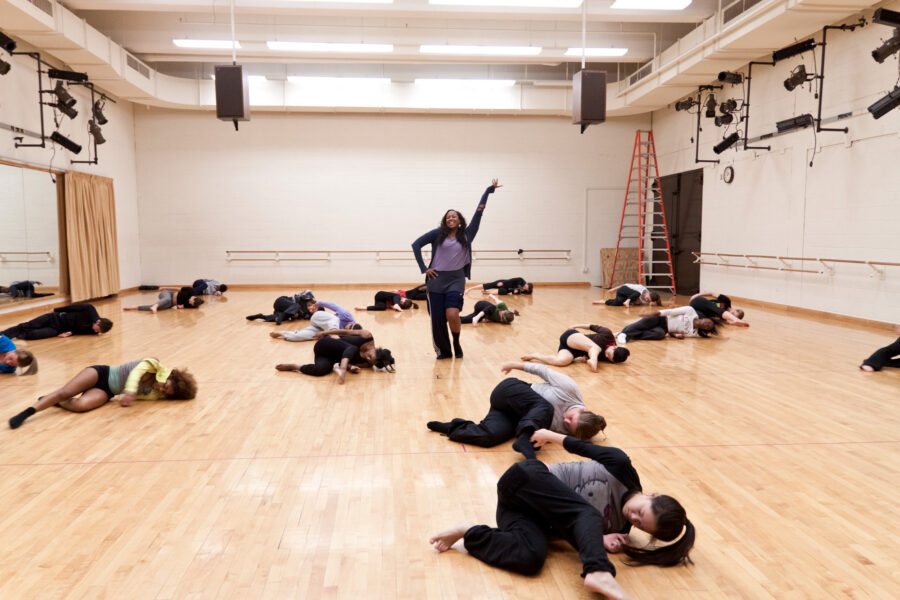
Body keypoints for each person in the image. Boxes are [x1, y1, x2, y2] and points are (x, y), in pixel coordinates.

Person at [429, 431, 694, 600]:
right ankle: (599, 572)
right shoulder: (622, 467)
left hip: (519, 510)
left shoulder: (617, 529)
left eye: (639, 524)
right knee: (586, 513)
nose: (632, 517)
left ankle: (468, 531)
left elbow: (563, 526)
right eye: (640, 511)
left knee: (530, 558)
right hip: (526, 478)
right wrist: (549, 435)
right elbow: (582, 447)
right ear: (653, 494)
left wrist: (597, 540)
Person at [426, 361, 605, 454]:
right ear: (583, 410)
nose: (564, 419)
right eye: (570, 418)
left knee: (490, 437)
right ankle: (525, 443)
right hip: (511, 391)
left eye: (568, 425)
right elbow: (541, 370)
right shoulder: (570, 389)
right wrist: (514, 365)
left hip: (514, 416)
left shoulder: (571, 432)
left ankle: (453, 427)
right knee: (546, 408)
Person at [412, 179, 501, 359]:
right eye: (448, 217)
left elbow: (479, 212)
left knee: (452, 313)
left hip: (456, 279)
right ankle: (444, 352)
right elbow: (416, 245)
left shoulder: (468, 234)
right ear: (445, 221)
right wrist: (424, 269)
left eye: (454, 216)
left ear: (460, 220)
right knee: (437, 320)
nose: (451, 218)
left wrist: (488, 191)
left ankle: (456, 341)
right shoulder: (437, 234)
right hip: (436, 280)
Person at [8, 358, 197, 429]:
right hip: (100, 373)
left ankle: (55, 402)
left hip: (107, 391)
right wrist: (130, 391)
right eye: (164, 385)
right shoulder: (152, 363)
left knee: (80, 406)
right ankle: (27, 413)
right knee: (65, 392)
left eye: (165, 393)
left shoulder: (157, 394)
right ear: (168, 375)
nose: (160, 390)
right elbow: (135, 373)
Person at [275, 329, 395, 384]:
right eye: (371, 357)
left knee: (321, 370)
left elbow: (345, 361)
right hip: (326, 344)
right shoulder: (366, 336)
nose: (368, 359)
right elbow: (342, 332)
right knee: (352, 348)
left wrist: (350, 367)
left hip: (327, 356)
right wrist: (323, 333)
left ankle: (295, 366)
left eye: (371, 362)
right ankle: (341, 370)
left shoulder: (366, 363)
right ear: (377, 350)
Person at [521, 324, 629, 372]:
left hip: (570, 349)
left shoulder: (610, 357)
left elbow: (584, 355)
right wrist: (575, 325)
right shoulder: (607, 334)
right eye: (609, 354)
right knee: (595, 347)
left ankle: (536, 355)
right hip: (571, 337)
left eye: (609, 358)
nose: (606, 356)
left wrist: (585, 359)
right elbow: (590, 326)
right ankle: (593, 361)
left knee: (561, 361)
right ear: (614, 346)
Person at [1, 303, 113, 340]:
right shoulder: (89, 309)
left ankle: (13, 337)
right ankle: (3, 336)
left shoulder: (93, 331)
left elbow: (78, 331)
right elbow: (70, 308)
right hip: (54, 317)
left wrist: (69, 333)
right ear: (98, 322)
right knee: (27, 325)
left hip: (57, 329)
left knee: (33, 335)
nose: (96, 331)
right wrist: (56, 310)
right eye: (97, 329)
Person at [270, 301, 362, 342]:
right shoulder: (346, 315)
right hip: (320, 317)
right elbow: (332, 305)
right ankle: (333, 334)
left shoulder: (348, 334)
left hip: (322, 329)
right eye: (349, 328)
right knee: (336, 320)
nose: (346, 330)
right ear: (351, 323)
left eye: (349, 332)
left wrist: (323, 336)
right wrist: (318, 304)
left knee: (300, 336)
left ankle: (282, 333)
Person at [616, 306, 717, 343]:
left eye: (708, 327)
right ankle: (624, 333)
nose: (707, 325)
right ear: (706, 318)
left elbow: (671, 334)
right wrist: (652, 314)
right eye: (708, 322)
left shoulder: (693, 333)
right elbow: (670, 311)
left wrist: (676, 335)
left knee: (659, 335)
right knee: (642, 324)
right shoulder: (690, 311)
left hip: (665, 329)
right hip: (662, 318)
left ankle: (625, 334)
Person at [247, 290, 315, 325]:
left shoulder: (306, 314)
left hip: (283, 310)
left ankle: (261, 316)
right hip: (281, 301)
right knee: (297, 306)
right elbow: (306, 293)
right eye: (309, 305)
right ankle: (281, 317)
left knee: (279, 318)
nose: (310, 307)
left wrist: (294, 316)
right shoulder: (305, 299)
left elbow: (295, 317)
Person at [122, 287, 203, 313]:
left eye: (190, 303)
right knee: (166, 299)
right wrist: (165, 287)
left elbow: (179, 307)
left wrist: (181, 307)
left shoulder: (192, 305)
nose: (189, 302)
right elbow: (178, 288)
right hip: (167, 293)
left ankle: (134, 308)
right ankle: (156, 306)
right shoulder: (191, 291)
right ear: (194, 297)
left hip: (171, 303)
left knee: (158, 308)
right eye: (190, 301)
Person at [596, 283, 661, 307]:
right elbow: (624, 285)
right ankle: (627, 301)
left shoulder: (647, 300)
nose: (646, 299)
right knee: (637, 293)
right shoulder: (640, 288)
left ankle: (603, 301)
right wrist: (613, 289)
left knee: (618, 303)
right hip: (623, 289)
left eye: (648, 300)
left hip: (624, 296)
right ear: (648, 293)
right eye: (647, 298)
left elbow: (637, 302)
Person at [466, 277, 533, 296]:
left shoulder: (522, 290)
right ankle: (470, 289)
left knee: (503, 292)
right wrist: (502, 282)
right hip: (504, 283)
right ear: (526, 283)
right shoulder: (520, 280)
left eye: (526, 289)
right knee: (489, 285)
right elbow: (510, 280)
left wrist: (516, 292)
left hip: (505, 289)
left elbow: (513, 292)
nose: (524, 288)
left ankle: (487, 292)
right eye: (525, 286)